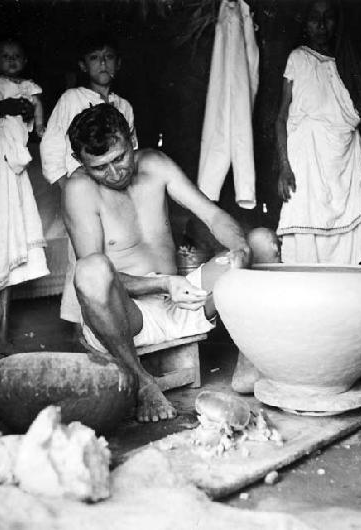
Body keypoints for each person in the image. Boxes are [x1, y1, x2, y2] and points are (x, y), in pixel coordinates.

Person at [62, 103, 276, 422]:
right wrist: (163, 283)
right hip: (128, 320)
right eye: (100, 167)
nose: (115, 172)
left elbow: (212, 215)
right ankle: (140, 380)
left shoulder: (156, 164)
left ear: (131, 139)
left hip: (183, 302)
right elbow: (96, 280)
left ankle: (252, 362)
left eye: (119, 158)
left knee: (260, 241)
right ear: (82, 163)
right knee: (91, 268)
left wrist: (238, 248)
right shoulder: (79, 189)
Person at [276, 0, 361, 264]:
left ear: (338, 23)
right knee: (304, 219)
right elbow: (281, 117)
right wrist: (283, 166)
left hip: (345, 161)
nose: (322, 25)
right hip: (305, 156)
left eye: (329, 18)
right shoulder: (297, 58)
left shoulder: (348, 63)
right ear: (306, 22)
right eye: (315, 18)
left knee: (349, 231)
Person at [40, 33, 137, 328]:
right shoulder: (72, 99)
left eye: (108, 57)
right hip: (84, 188)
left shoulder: (125, 105)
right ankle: (81, 325)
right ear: (83, 65)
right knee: (83, 261)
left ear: (117, 64)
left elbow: (132, 149)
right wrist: (67, 187)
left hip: (116, 190)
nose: (103, 63)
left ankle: (118, 323)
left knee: (116, 252)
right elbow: (52, 144)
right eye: (95, 58)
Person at [0, 36, 49, 354]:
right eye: (5, 56)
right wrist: (5, 108)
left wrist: (37, 119)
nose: (12, 61)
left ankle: (1, 332)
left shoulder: (28, 87)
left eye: (17, 56)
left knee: (10, 241)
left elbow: (33, 118)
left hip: (13, 169)